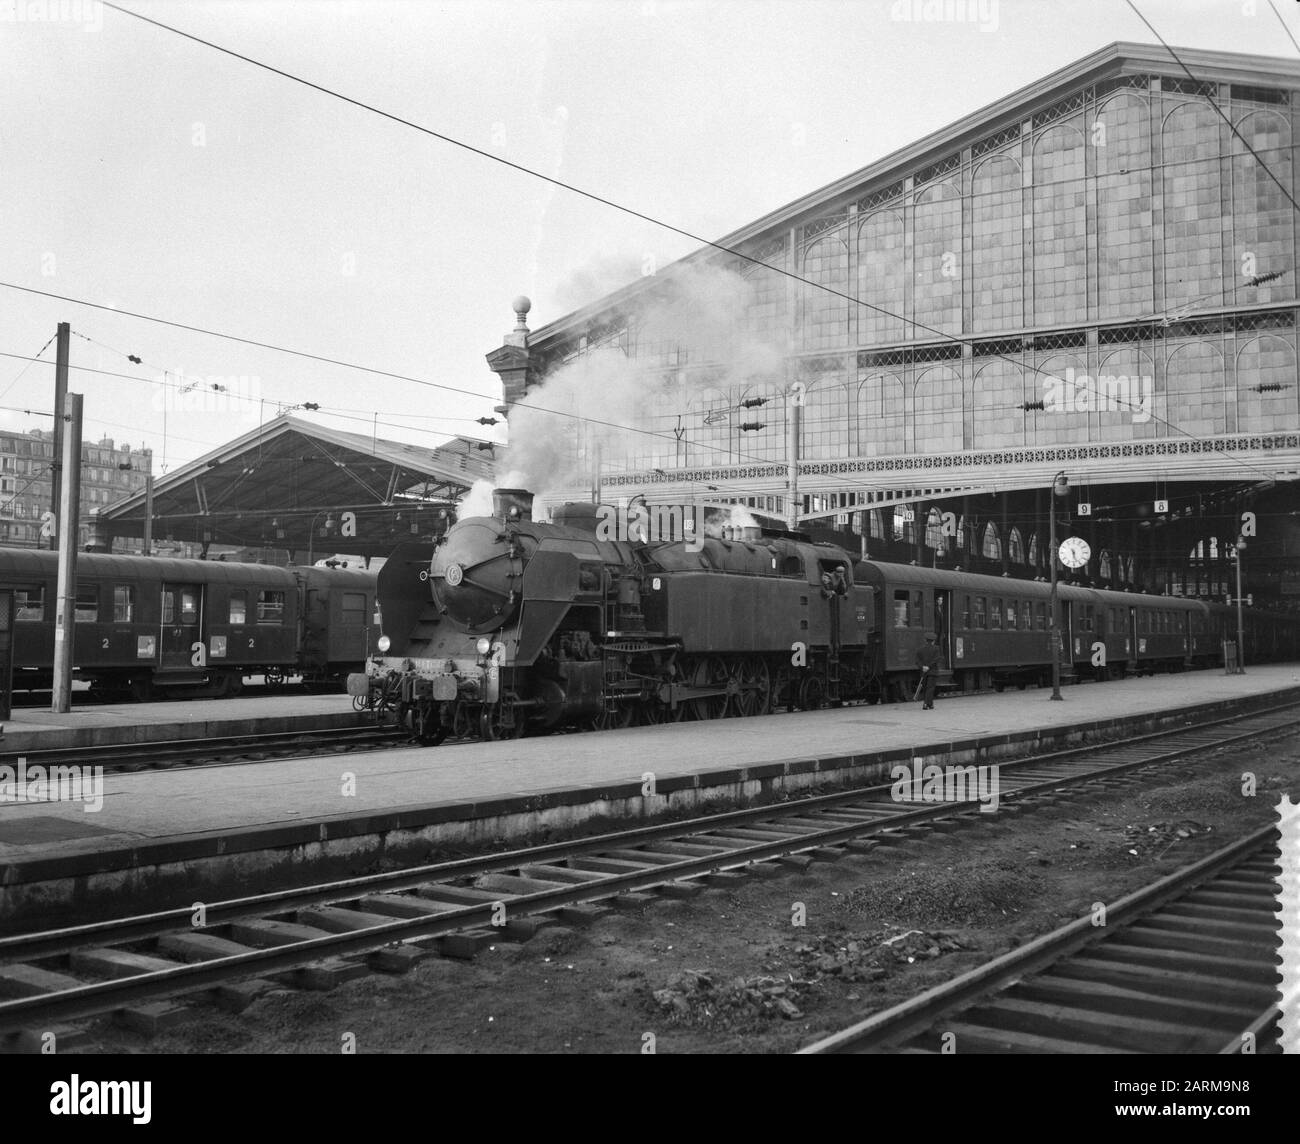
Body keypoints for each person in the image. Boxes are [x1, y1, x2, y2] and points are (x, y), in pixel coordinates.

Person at [914, 631, 941, 709]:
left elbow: (917, 660)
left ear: (925, 640)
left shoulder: (920, 649)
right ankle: (926, 704)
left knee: (926, 688)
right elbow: (936, 659)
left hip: (924, 672)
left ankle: (930, 704)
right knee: (930, 688)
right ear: (933, 641)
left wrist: (922, 667)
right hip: (932, 671)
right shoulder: (936, 648)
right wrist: (928, 666)